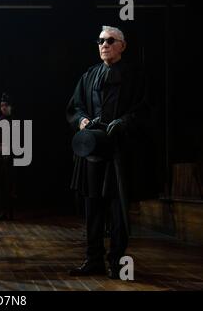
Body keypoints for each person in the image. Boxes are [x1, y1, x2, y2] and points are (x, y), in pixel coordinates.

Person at [66, 26, 150, 279]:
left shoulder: (135, 76)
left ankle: (116, 261)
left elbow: (145, 108)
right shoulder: (90, 75)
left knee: (116, 207)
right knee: (93, 205)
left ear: (122, 45)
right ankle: (93, 260)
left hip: (119, 152)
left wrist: (125, 121)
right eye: (101, 41)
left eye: (110, 41)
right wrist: (81, 121)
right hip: (93, 150)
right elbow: (75, 106)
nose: (104, 45)